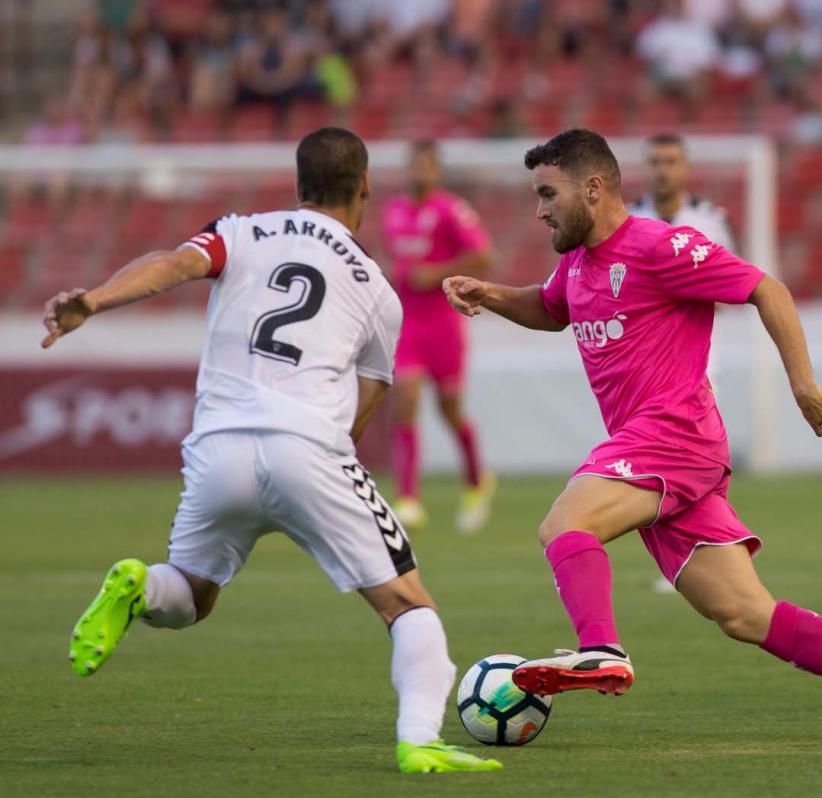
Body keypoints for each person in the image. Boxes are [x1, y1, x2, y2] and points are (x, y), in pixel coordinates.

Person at [444, 128, 822, 744]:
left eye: (548, 194)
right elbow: (552, 309)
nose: (539, 210)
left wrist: (801, 383)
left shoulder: (661, 246)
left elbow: (766, 288)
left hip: (674, 433)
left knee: (564, 524)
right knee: (745, 614)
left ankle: (601, 648)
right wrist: (489, 293)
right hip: (660, 454)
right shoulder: (577, 266)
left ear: (593, 187)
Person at [43, 127, 501, 775]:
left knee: (193, 595)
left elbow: (173, 265)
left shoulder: (240, 230)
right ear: (365, 186)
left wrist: (93, 300)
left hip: (218, 447)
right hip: (307, 445)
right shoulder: (375, 286)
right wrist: (328, 466)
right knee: (407, 603)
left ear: (297, 183)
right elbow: (372, 390)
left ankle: (142, 586)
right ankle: (421, 739)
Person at [629, 131, 735, 594]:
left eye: (671, 160)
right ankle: (686, 560)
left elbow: (734, 285)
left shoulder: (709, 220)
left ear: (685, 167)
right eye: (655, 160)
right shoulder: (629, 220)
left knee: (693, 468)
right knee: (660, 468)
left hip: (698, 364)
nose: (663, 169)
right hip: (645, 368)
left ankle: (704, 557)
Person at [380, 140, 496, 533]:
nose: (419, 173)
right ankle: (409, 498)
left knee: (450, 409)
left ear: (436, 171)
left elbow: (483, 256)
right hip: (409, 323)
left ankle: (477, 481)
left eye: (426, 166)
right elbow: (394, 259)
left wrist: (435, 273)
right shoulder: (393, 211)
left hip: (445, 324)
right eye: (413, 165)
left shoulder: (451, 210)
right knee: (406, 398)